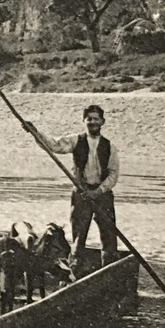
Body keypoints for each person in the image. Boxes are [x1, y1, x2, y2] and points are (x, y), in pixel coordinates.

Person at [43, 104, 120, 270]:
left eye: (96, 119)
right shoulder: (75, 140)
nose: (92, 122)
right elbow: (54, 145)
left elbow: (113, 174)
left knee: (109, 235)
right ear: (83, 121)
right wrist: (34, 132)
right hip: (81, 194)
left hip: (103, 195)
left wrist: (98, 191)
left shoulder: (110, 147)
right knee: (78, 235)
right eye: (89, 119)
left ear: (102, 122)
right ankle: (75, 271)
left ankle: (109, 271)